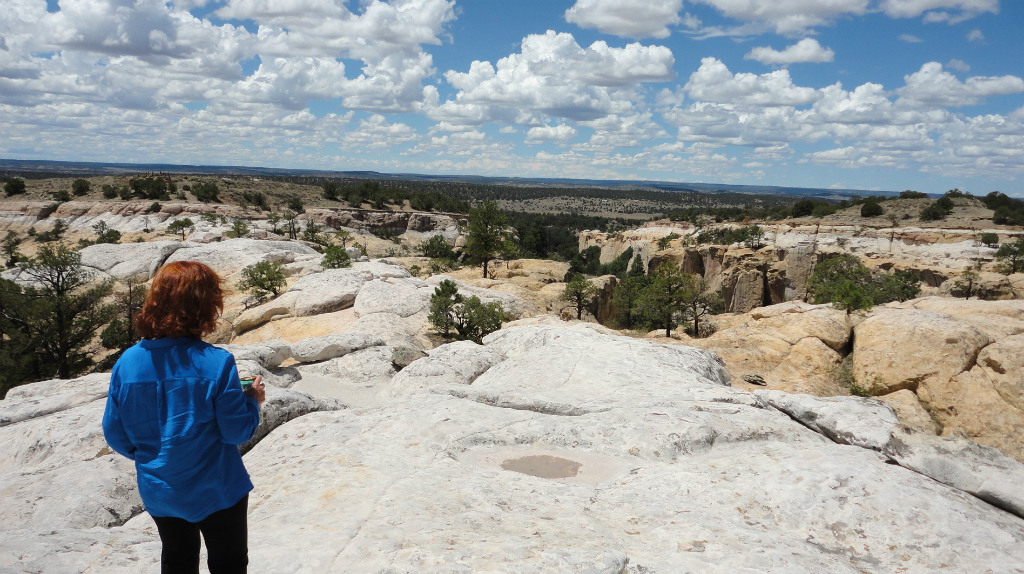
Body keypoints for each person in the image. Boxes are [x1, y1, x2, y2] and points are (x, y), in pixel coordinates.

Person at [102, 261, 265, 574]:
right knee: (228, 563)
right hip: (217, 488)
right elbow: (235, 432)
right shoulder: (216, 363)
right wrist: (252, 402)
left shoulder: (127, 363)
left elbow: (115, 433)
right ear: (206, 307)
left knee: (177, 558)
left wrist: (154, 455)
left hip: (160, 489)